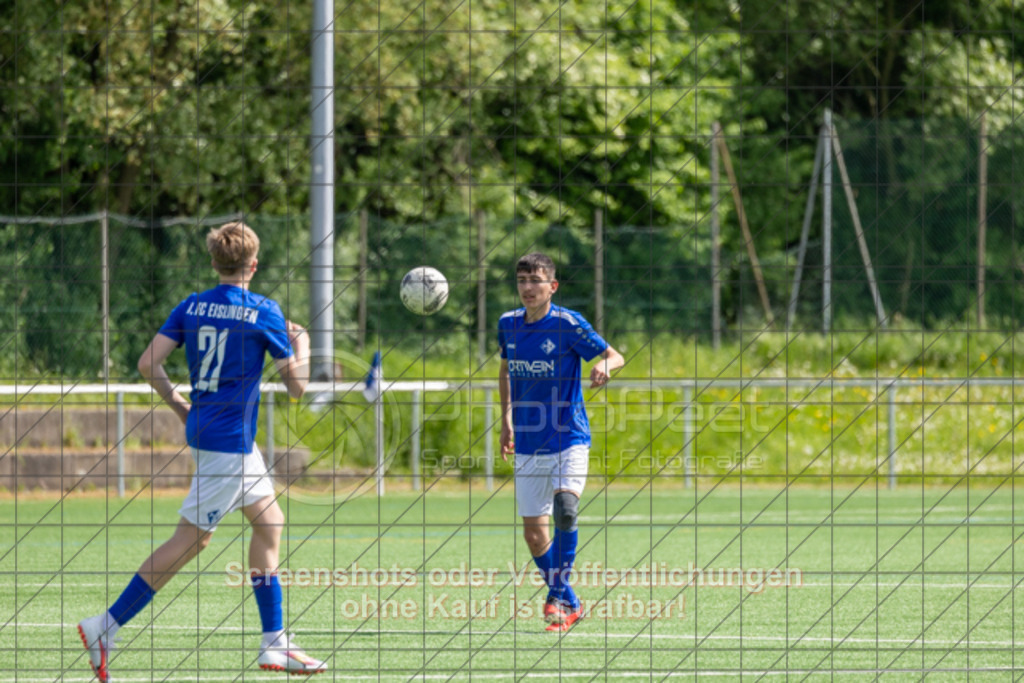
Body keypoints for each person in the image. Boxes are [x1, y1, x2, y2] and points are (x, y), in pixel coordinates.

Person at [77, 222, 327, 680]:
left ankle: (274, 641)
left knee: (270, 522)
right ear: (254, 264)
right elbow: (297, 387)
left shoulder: (191, 305)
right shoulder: (264, 310)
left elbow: (148, 363)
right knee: (191, 541)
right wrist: (303, 342)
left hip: (217, 435)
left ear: (214, 263)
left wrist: (177, 403)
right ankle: (104, 627)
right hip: (228, 444)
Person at [498, 252, 625, 632]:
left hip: (569, 436)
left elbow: (615, 355)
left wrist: (604, 364)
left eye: (535, 280)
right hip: (528, 441)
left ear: (552, 286)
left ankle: (556, 598)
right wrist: (506, 420)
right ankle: (568, 597)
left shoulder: (569, 324)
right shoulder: (508, 324)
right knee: (535, 535)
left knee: (566, 509)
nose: (527, 287)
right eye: (522, 280)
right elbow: (505, 370)